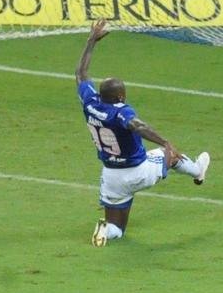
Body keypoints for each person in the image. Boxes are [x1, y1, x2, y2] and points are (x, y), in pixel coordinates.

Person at [77, 19, 210, 246]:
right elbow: (138, 126)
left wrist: (91, 41)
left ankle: (105, 231)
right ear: (120, 97)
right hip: (138, 171)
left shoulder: (90, 103)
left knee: (118, 229)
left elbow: (81, 74)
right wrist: (165, 141)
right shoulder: (120, 112)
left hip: (111, 176)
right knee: (168, 155)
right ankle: (197, 171)